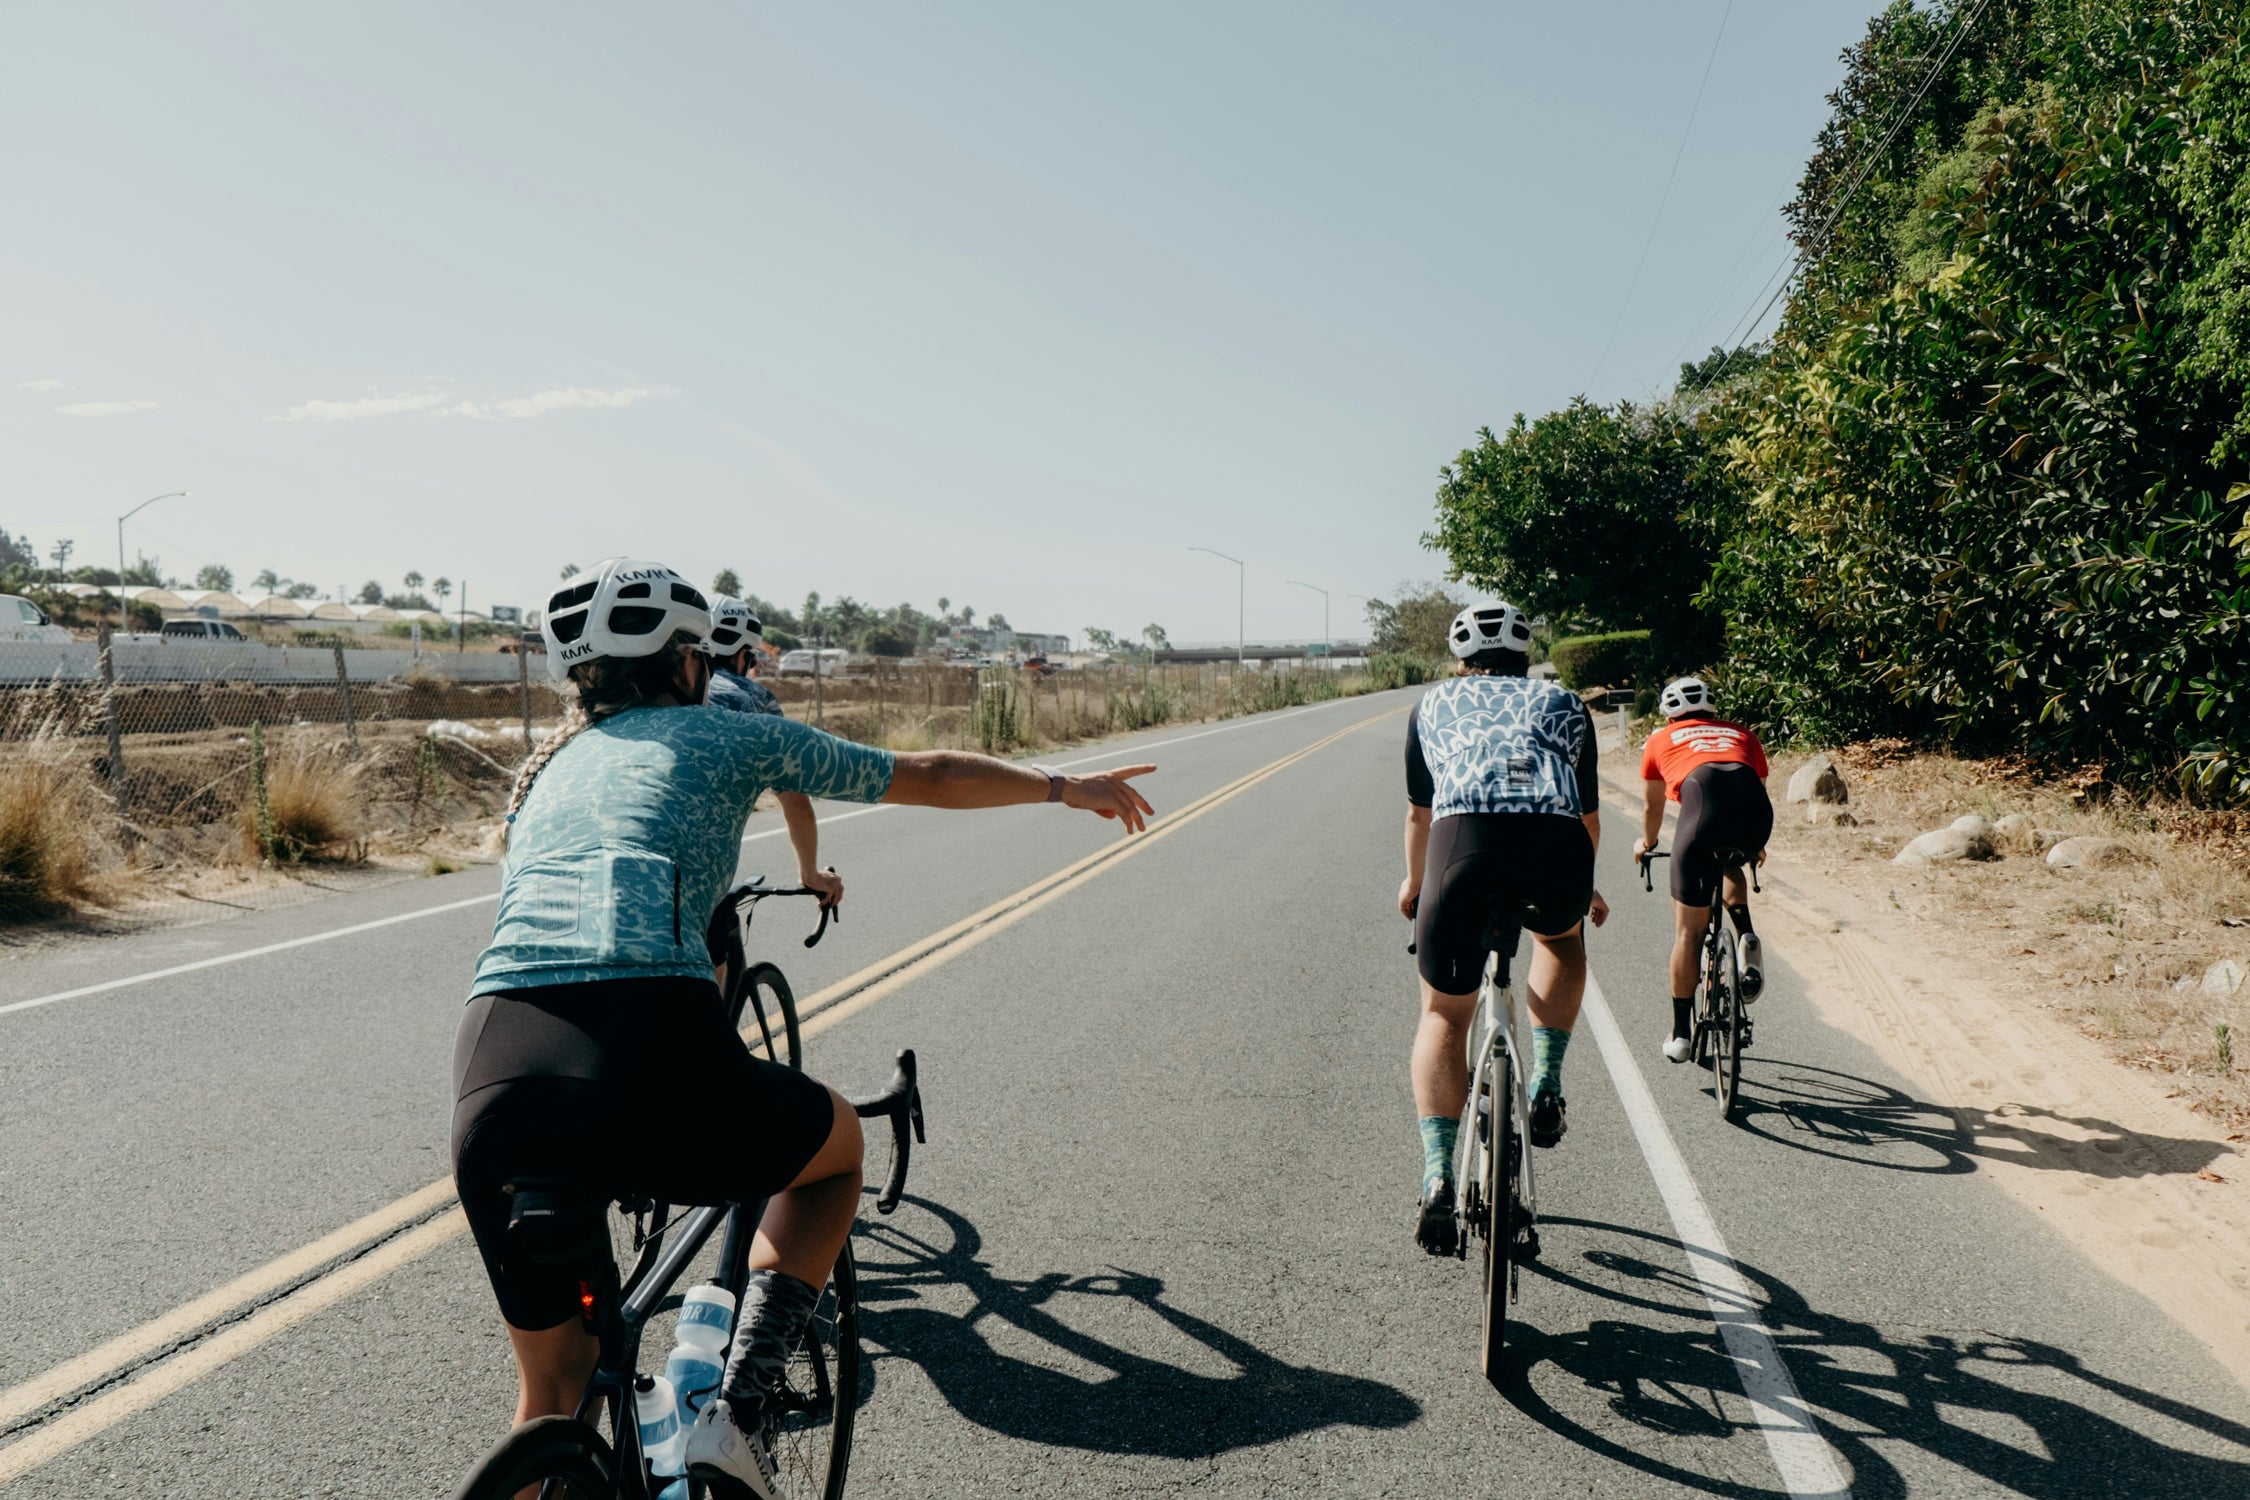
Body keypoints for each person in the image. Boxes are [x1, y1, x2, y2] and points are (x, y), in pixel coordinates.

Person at [451, 558, 1155, 1497]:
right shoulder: (730, 731)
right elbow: (930, 773)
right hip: (648, 1039)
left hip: (494, 1061)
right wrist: (1065, 787)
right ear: (688, 662)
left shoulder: (542, 774)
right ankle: (738, 1414)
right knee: (835, 1154)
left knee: (553, 1392)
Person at [1399, 600, 1607, 1258]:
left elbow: (1419, 815)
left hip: (1463, 847)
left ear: (1460, 659)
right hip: (1556, 849)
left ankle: (1438, 1175)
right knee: (1561, 940)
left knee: (1444, 1013)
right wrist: (1584, 885)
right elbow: (1587, 816)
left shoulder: (1431, 704)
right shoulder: (1566, 704)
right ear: (1527, 656)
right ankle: (1547, 1082)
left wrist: (1413, 884)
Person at [1630, 676, 1773, 1064]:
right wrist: (1755, 844)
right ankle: (1745, 935)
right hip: (1754, 816)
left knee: (1688, 932)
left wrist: (1647, 844)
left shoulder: (1660, 739)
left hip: (1702, 809)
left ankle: (1680, 1034)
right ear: (1712, 708)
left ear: (1669, 714)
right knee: (1730, 858)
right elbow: (1757, 789)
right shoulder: (1743, 734)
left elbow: (1653, 808)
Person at [697, 594, 840, 924]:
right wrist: (809, 873)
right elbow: (795, 800)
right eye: (752, 659)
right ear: (743, 655)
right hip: (698, 870)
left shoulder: (669, 693)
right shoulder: (754, 699)